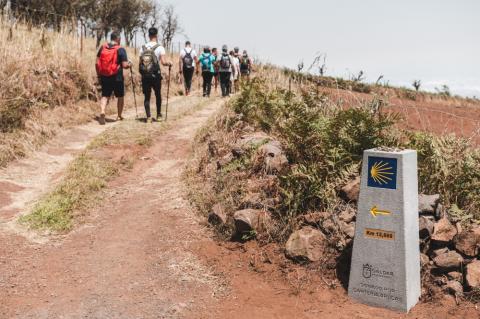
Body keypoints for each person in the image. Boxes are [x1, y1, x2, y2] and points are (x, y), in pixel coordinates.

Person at [95, 31, 130, 125]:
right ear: (118, 39)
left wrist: (99, 75)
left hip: (105, 75)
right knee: (120, 96)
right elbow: (125, 65)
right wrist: (129, 65)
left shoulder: (103, 47)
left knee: (105, 95)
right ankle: (119, 115)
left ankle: (102, 111)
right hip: (117, 76)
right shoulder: (121, 49)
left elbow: (96, 62)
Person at [139, 27, 172, 123]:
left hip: (145, 75)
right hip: (156, 75)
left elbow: (140, 63)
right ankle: (158, 115)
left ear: (148, 35)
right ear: (156, 35)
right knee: (158, 95)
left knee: (147, 97)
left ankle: (148, 117)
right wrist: (169, 63)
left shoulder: (143, 47)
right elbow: (163, 62)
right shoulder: (160, 47)